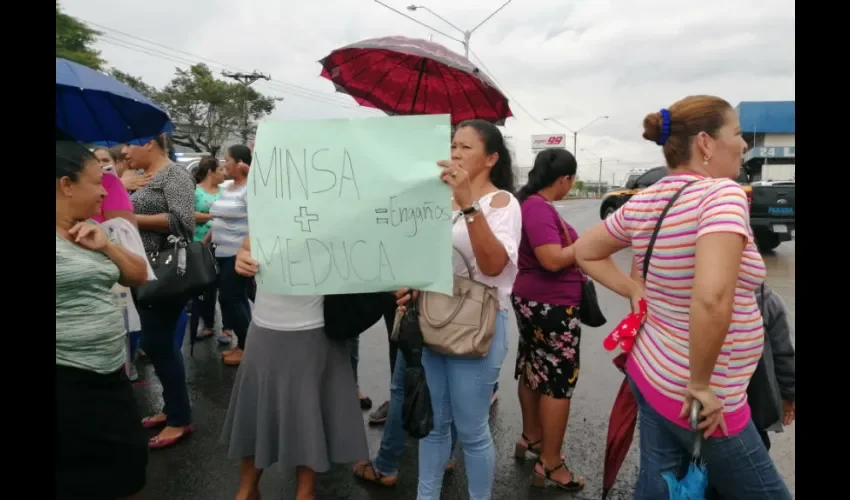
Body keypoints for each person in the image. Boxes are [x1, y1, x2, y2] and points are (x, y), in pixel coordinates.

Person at [573, 95, 791, 499]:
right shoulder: (720, 196)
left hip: (651, 370)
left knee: (660, 484)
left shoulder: (646, 200)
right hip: (703, 400)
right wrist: (701, 384)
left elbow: (585, 251)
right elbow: (711, 299)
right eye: (738, 134)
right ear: (706, 144)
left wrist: (633, 289)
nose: (744, 145)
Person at [392, 120, 519, 499]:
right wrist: (411, 282)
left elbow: (494, 265)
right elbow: (427, 257)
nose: (455, 154)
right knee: (433, 426)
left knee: (472, 429)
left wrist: (467, 203)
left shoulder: (503, 203)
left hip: (477, 325)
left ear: (491, 158)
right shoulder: (434, 198)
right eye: (453, 146)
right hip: (433, 317)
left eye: (466, 148)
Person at [220, 235, 369, 500]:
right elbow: (249, 243)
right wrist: (242, 257)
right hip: (266, 326)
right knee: (257, 412)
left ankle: (305, 493)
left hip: (316, 328)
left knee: (310, 415)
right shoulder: (271, 202)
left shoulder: (341, 202)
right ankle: (248, 489)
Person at [56, 141, 150, 499]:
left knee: (128, 469)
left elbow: (138, 275)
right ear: (66, 184)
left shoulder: (96, 229)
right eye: (96, 182)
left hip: (111, 373)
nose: (104, 190)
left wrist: (107, 245)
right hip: (67, 380)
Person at [511, 148, 584, 491]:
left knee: (532, 366)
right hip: (551, 304)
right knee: (557, 381)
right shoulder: (538, 207)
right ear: (565, 179)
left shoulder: (529, 203)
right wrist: (587, 247)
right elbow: (552, 259)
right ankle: (551, 462)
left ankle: (531, 437)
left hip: (534, 302)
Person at [126, 134, 197, 449]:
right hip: (141, 271)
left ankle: (180, 418)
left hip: (165, 273)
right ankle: (172, 408)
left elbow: (184, 224)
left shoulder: (175, 174)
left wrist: (130, 219)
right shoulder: (140, 177)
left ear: (151, 143)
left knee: (158, 344)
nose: (125, 151)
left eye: (131, 144)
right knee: (157, 344)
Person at [705, 283, 796, 499]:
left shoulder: (686, 296)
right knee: (752, 462)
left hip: (698, 407)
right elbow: (784, 355)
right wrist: (788, 396)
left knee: (701, 464)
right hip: (750, 407)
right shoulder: (765, 300)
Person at [209, 145, 253, 364]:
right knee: (236, 299)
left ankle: (249, 348)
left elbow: (258, 220)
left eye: (227, 160)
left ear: (240, 163)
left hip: (238, 253)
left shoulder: (250, 189)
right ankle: (244, 344)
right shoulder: (229, 187)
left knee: (230, 297)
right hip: (221, 251)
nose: (224, 164)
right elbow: (217, 216)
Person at [190, 156, 226, 341]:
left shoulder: (226, 191)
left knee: (226, 287)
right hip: (201, 244)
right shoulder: (194, 191)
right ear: (210, 171)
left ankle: (228, 327)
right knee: (207, 287)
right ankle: (208, 324)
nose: (224, 173)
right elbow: (188, 215)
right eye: (220, 169)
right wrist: (214, 216)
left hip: (224, 243)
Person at [92, 146, 136, 225]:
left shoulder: (117, 182)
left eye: (105, 160)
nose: (101, 164)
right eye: (97, 161)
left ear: (116, 163)